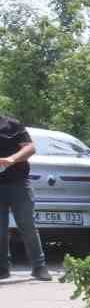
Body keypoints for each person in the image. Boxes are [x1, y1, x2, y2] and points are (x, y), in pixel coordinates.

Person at [0, 113, 50, 281]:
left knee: (27, 225)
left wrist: (11, 159)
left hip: (19, 183)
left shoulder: (12, 124)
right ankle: (2, 268)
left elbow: (30, 147)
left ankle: (39, 266)